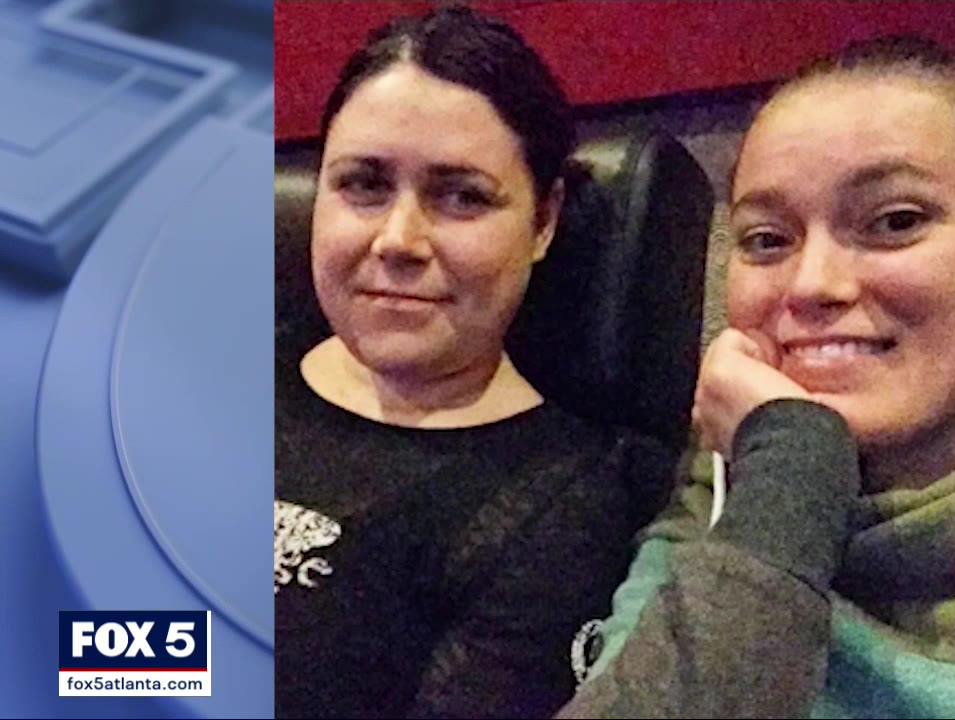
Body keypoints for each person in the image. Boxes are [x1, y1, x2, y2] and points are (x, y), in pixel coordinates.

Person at [559, 34, 955, 719]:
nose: (812, 284)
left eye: (895, 222)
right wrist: (793, 466)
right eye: (767, 240)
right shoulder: (726, 488)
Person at [274, 8, 675, 718]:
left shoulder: (561, 508)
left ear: (543, 221)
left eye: (462, 196)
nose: (398, 240)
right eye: (364, 184)